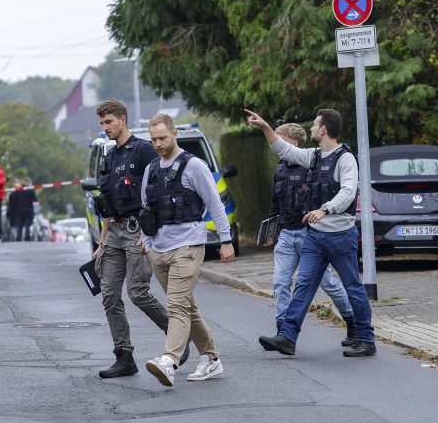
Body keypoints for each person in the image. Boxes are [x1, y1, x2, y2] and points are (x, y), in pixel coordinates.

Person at [244, 107, 376, 358]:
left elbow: (348, 192)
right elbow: (284, 149)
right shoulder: (315, 156)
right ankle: (288, 337)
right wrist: (264, 126)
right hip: (314, 237)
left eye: (315, 125)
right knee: (303, 285)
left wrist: (324, 210)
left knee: (353, 287)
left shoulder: (345, 158)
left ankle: (366, 339)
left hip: (339, 236)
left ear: (324, 129)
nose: (312, 128)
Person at [140, 112, 235, 387]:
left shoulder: (194, 166)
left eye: (162, 138)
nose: (157, 144)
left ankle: (169, 361)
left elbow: (215, 205)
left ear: (175, 134)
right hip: (159, 249)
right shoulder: (151, 169)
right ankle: (212, 359)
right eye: (153, 139)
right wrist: (147, 243)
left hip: (188, 245)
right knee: (187, 307)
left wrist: (226, 240)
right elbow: (145, 209)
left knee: (177, 305)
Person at [93, 99, 178, 379]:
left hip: (136, 230)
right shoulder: (110, 156)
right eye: (102, 123)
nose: (105, 127)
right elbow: (106, 201)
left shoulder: (143, 150)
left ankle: (177, 333)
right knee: (108, 294)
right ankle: (124, 356)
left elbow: (157, 191)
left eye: (109, 122)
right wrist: (102, 241)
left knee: (138, 292)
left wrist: (150, 233)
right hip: (114, 232)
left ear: (122, 120)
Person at [256, 121, 356, 351]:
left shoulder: (311, 167)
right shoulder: (280, 170)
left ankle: (351, 320)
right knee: (280, 282)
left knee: (329, 284)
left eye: (279, 139)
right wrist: (270, 231)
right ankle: (283, 332)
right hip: (286, 235)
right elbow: (275, 203)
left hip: (309, 235)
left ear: (291, 143)